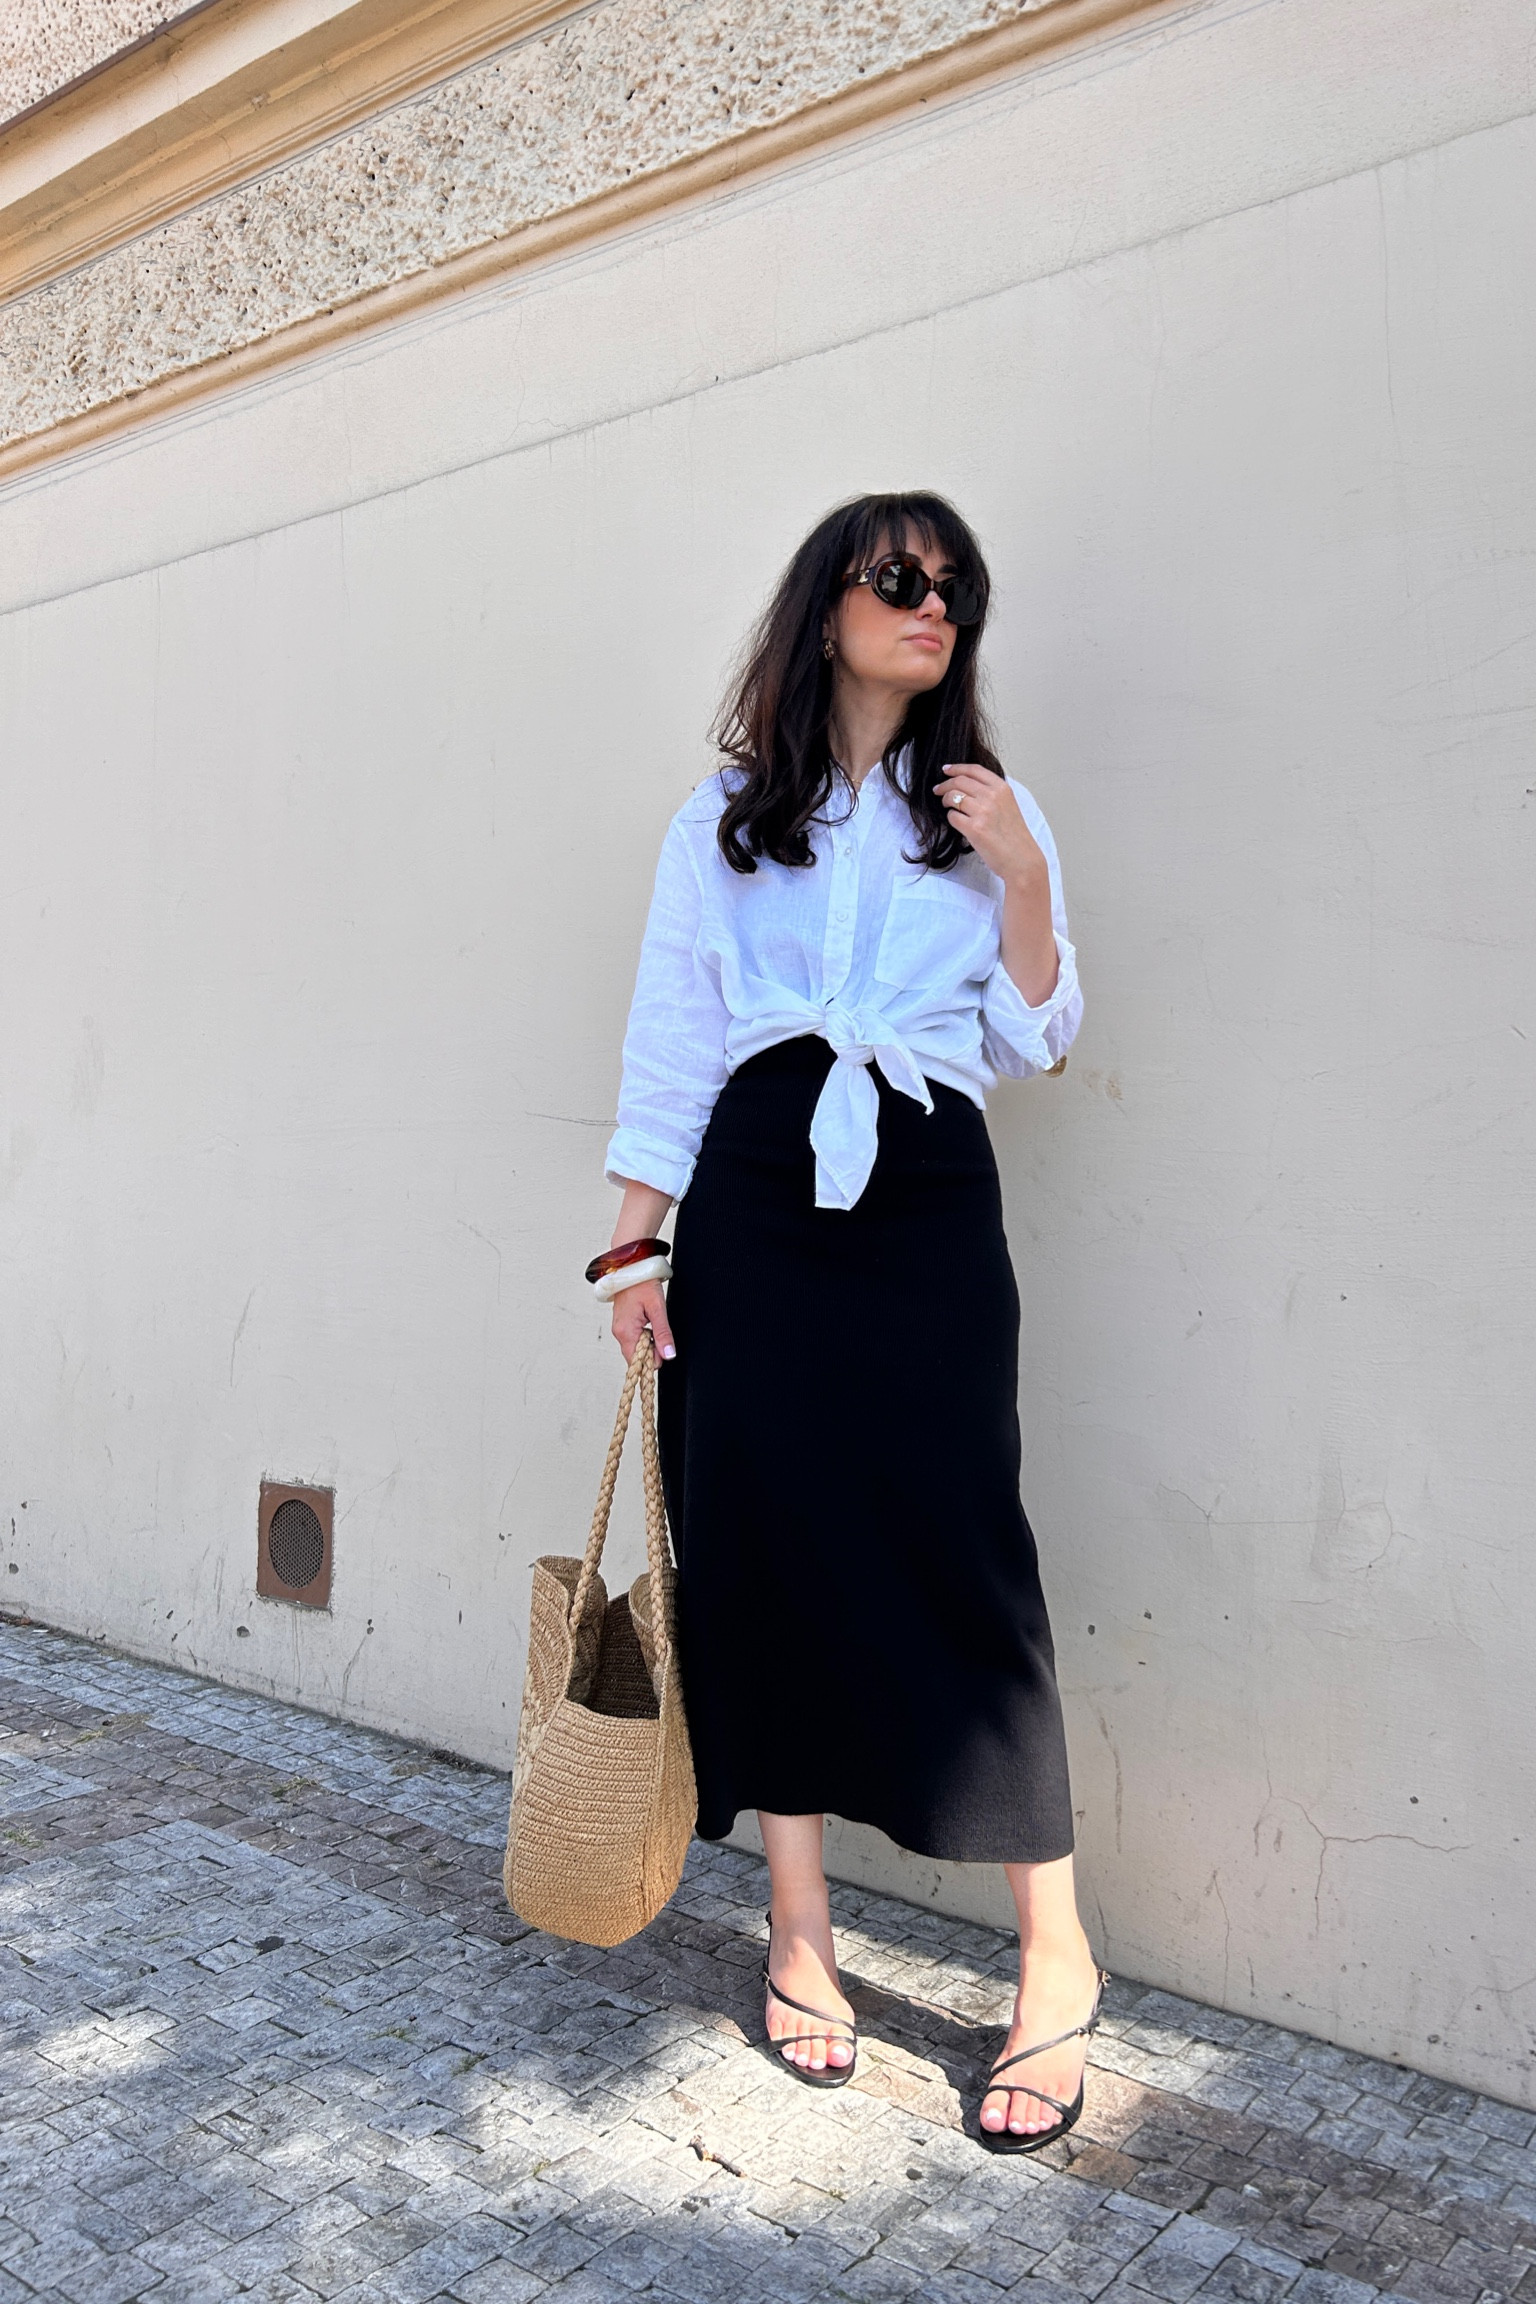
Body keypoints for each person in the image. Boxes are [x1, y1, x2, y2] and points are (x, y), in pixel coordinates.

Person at [591, 491, 1106, 2151]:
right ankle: (798, 1929)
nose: (932, 604)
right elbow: (677, 1032)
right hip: (754, 1196)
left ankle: (1057, 1952)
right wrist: (632, 1248)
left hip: (927, 1199)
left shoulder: (990, 816)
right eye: (900, 578)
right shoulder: (729, 818)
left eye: (956, 585)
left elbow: (1039, 1037)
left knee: (967, 1543)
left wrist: (1023, 873)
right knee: (766, 1541)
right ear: (829, 608)